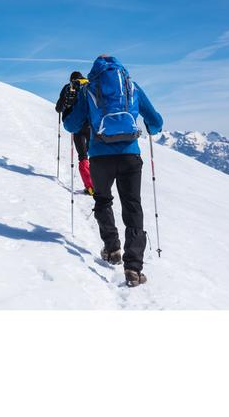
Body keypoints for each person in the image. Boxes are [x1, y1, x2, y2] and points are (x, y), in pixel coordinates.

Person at [63, 55, 163, 288]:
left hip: (99, 157)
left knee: (103, 200)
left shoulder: (89, 90)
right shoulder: (131, 86)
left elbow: (71, 125)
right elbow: (156, 122)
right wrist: (149, 125)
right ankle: (133, 267)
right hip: (130, 155)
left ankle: (112, 248)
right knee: (132, 206)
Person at [55, 71, 94, 195]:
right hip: (90, 125)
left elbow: (59, 108)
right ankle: (99, 184)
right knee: (94, 154)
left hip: (76, 126)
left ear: (72, 79)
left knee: (83, 156)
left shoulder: (69, 87)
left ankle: (90, 187)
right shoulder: (89, 86)